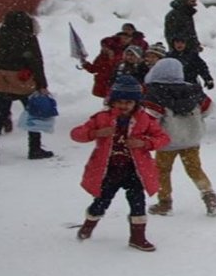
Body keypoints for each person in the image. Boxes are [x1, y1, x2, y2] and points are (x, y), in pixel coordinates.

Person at [70, 76, 170, 251]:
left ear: (136, 103)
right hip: (109, 169)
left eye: (128, 102)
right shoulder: (101, 118)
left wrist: (144, 143)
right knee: (102, 200)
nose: (123, 106)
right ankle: (88, 225)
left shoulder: (145, 119)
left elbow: (163, 138)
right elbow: (76, 134)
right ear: (112, 101)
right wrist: (96, 133)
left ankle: (137, 237)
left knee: (137, 202)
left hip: (135, 170)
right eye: (119, 102)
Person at [143, 59, 216, 217]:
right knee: (195, 169)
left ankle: (165, 203)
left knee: (162, 171)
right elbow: (208, 109)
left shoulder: (155, 93)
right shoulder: (193, 90)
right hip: (191, 138)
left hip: (167, 140)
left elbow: (151, 116)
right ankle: (210, 198)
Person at [0, 10, 54, 165]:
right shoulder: (28, 38)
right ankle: (34, 148)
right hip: (24, 80)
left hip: (2, 81)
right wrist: (42, 84)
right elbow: (36, 62)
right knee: (34, 114)